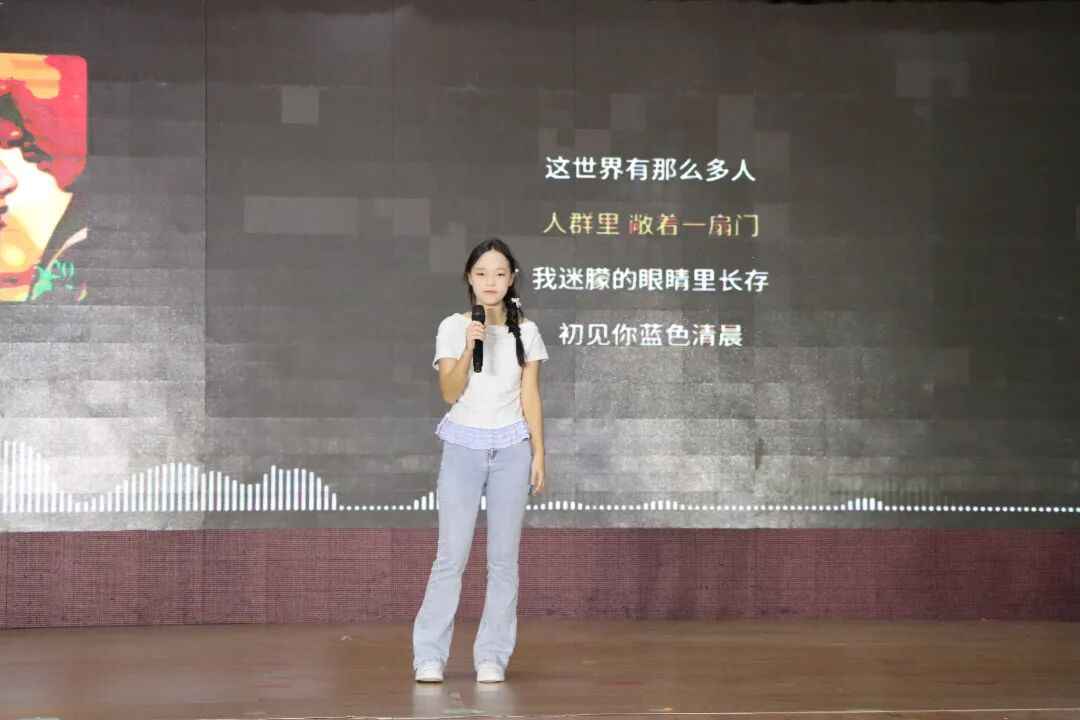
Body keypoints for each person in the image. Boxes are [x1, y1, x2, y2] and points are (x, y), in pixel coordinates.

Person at [412, 237, 549, 684]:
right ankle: (429, 656)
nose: (491, 281)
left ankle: (492, 655)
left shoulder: (527, 332)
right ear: (469, 279)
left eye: (500, 273)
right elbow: (449, 391)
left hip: (512, 448)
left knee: (503, 560)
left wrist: (538, 452)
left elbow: (531, 395)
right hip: (464, 448)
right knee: (450, 556)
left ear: (512, 280)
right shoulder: (454, 326)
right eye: (482, 273)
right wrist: (469, 346)